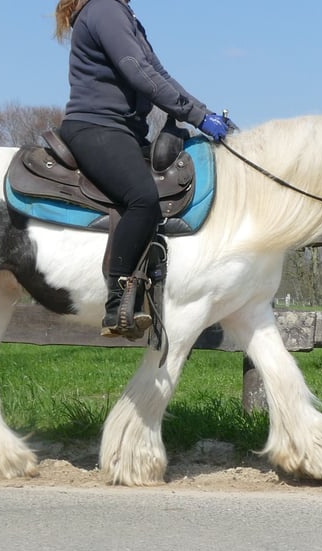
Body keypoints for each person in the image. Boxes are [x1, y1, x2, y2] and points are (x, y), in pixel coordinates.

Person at [54, 0, 229, 338]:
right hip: (97, 128)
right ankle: (118, 302)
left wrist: (201, 112)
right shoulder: (105, 8)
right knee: (142, 197)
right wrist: (197, 117)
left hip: (125, 132)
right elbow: (138, 72)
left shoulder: (120, 11)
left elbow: (159, 74)